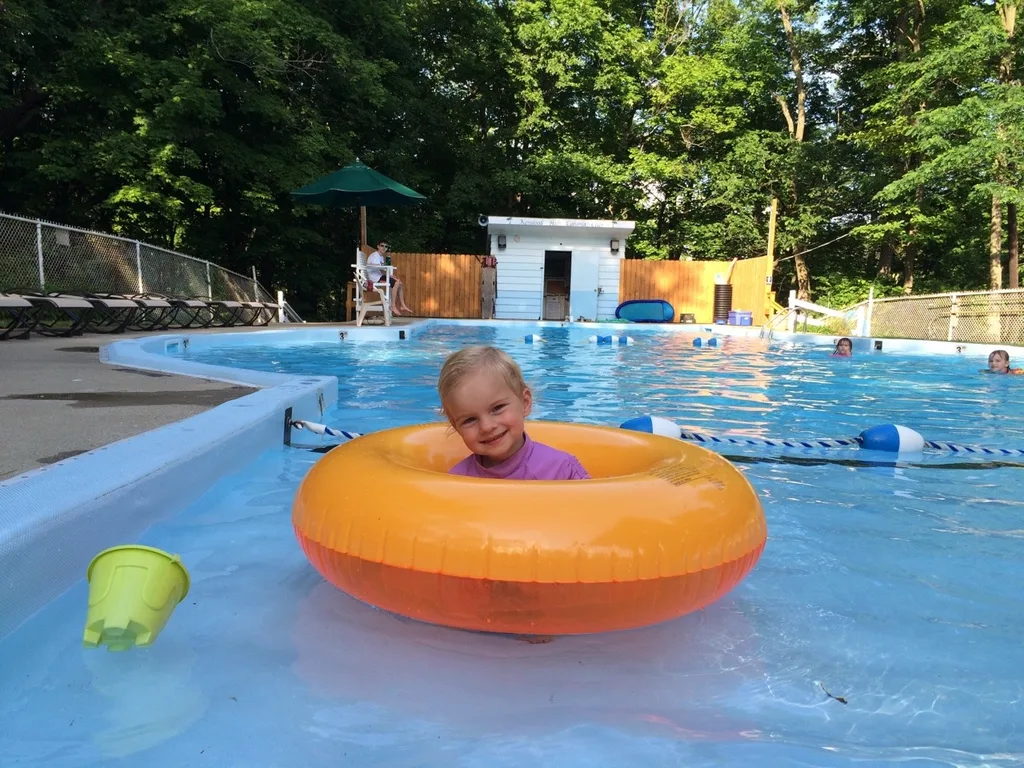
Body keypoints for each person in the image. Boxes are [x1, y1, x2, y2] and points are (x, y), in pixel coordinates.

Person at [438, 345, 590, 479]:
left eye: (497, 408)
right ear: (456, 426)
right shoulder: (457, 481)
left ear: (525, 403)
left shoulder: (562, 471)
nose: (487, 426)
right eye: (469, 420)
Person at [366, 240, 412, 315]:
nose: (384, 248)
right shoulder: (375, 256)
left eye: (386, 246)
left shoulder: (380, 257)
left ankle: (402, 305)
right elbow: (378, 267)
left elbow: (381, 269)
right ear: (378, 246)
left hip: (379, 276)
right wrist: (388, 274)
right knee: (396, 283)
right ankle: (393, 306)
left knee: (399, 283)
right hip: (375, 278)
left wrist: (390, 275)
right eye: (382, 246)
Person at [475, 254, 498, 320]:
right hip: (487, 286)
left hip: (489, 287)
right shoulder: (487, 269)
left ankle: (487, 316)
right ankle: (486, 316)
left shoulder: (488, 269)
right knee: (485, 299)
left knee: (488, 299)